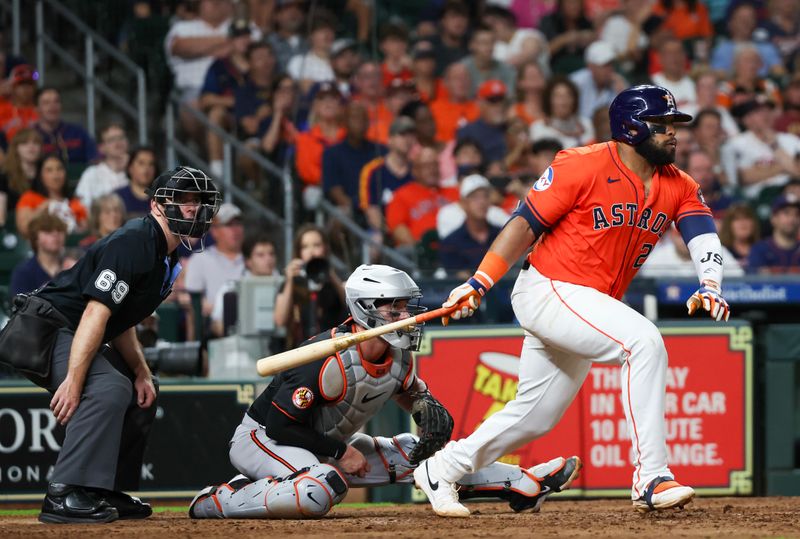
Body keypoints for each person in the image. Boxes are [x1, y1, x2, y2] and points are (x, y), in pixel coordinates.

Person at [413, 85, 730, 517]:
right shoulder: (581, 164)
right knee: (643, 341)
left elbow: (703, 236)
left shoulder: (678, 184)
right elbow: (524, 225)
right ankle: (651, 477)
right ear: (632, 128)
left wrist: (710, 282)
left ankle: (443, 468)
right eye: (663, 126)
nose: (674, 134)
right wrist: (480, 281)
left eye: (674, 125)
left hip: (588, 303)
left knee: (535, 416)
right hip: (548, 287)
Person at [189, 264, 581, 519]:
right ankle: (220, 500)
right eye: (393, 310)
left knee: (420, 455)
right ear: (365, 309)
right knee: (318, 490)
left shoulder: (398, 357)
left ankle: (523, 482)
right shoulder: (325, 359)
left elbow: (414, 397)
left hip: (326, 443)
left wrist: (426, 410)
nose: (405, 317)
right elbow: (278, 424)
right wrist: (342, 452)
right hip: (261, 440)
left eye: (405, 308)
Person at [0, 165, 221, 523]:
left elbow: (120, 320)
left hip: (74, 329)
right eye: (183, 199)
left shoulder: (164, 255)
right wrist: (74, 380)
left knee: (140, 389)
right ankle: (63, 492)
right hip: (44, 329)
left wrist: (142, 371)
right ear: (157, 206)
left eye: (197, 201)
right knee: (106, 387)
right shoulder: (136, 240)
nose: (193, 208)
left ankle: (104, 491)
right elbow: (95, 314)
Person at [273, 224, 346, 348]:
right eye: (305, 247)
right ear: (299, 252)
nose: (311, 252)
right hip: (300, 348)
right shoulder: (294, 280)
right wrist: (290, 280)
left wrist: (330, 274)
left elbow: (349, 304)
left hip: (333, 347)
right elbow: (280, 320)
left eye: (316, 245)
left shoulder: (336, 277)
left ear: (325, 248)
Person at [210, 231, 278, 337]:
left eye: (271, 254)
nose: (268, 259)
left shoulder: (284, 287)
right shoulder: (230, 289)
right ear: (248, 261)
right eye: (260, 255)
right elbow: (216, 324)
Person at [183, 202, 245, 317]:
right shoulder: (200, 260)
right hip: (212, 328)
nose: (235, 230)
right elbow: (188, 299)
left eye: (238, 224)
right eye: (229, 225)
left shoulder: (254, 258)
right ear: (214, 231)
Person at [438, 175, 502, 278]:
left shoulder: (501, 235)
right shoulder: (451, 242)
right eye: (475, 197)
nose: (481, 202)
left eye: (485, 196)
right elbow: (456, 277)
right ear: (463, 203)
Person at [16, 154, 88, 238]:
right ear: (40, 175)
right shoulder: (29, 197)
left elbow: (85, 232)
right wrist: (42, 209)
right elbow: (24, 229)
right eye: (49, 170)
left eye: (59, 169)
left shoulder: (74, 202)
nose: (56, 174)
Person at [34, 87, 98, 164]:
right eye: (46, 103)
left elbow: (94, 161)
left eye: (56, 102)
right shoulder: (31, 136)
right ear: (37, 109)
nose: (52, 106)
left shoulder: (78, 133)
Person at [75, 123, 130, 210]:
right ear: (101, 148)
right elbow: (82, 209)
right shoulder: (91, 174)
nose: (118, 143)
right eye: (112, 140)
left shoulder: (138, 172)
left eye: (121, 138)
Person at [9, 212, 66, 296]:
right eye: (48, 231)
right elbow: (20, 305)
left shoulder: (73, 268)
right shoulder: (24, 272)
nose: (55, 234)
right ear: (35, 238)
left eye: (59, 230)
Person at [529, 76, 594, 149]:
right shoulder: (539, 128)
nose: (563, 101)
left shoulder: (587, 124)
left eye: (568, 95)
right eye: (558, 96)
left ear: (574, 100)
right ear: (549, 100)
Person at [570, 41, 627, 120]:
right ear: (590, 67)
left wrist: (623, 94)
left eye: (610, 64)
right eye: (604, 65)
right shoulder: (576, 82)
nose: (609, 69)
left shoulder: (618, 83)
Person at [456, 80, 509, 164]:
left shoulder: (513, 127)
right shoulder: (467, 132)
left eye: (501, 99)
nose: (499, 105)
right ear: (479, 103)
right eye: (493, 100)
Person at [747, 194, 800, 273]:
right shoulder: (760, 250)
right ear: (773, 218)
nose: (792, 219)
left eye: (797, 214)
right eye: (786, 213)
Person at [461, 25, 517, 97]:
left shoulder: (507, 70)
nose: (489, 47)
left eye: (492, 42)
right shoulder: (462, 69)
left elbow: (510, 98)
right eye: (484, 42)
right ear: (471, 45)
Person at [0, 127, 42, 224]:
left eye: (35, 143)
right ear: (16, 148)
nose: (31, 147)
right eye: (25, 143)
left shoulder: (48, 172)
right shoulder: (4, 177)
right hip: (13, 227)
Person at [114, 146, 158, 219]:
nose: (146, 168)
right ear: (130, 167)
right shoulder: (118, 198)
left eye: (151, 164)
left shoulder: (161, 199)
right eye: (141, 163)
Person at [718, 203, 760, 269]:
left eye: (746, 218)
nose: (743, 223)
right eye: (737, 219)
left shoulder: (765, 251)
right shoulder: (721, 252)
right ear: (729, 225)